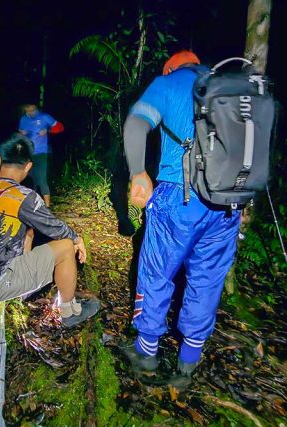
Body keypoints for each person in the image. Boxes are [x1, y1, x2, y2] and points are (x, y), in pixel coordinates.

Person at [119, 50, 241, 383]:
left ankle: (146, 353)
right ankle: (188, 363)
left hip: (180, 193)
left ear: (172, 67)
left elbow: (135, 125)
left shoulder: (168, 83)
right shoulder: (229, 87)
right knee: (207, 278)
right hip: (229, 202)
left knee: (157, 270)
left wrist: (138, 172)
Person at [0, 134, 99, 327]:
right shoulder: (24, 196)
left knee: (29, 233)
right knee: (66, 246)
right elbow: (55, 227)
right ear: (28, 166)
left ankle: (26, 288)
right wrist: (77, 239)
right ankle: (68, 311)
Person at [17, 104, 63, 207]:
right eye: (28, 110)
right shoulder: (23, 119)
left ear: (35, 107)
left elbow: (60, 127)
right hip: (27, 153)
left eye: (32, 109)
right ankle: (31, 203)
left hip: (41, 152)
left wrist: (48, 130)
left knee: (41, 178)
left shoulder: (44, 117)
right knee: (29, 177)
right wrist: (22, 134)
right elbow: (20, 134)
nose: (30, 112)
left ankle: (47, 206)